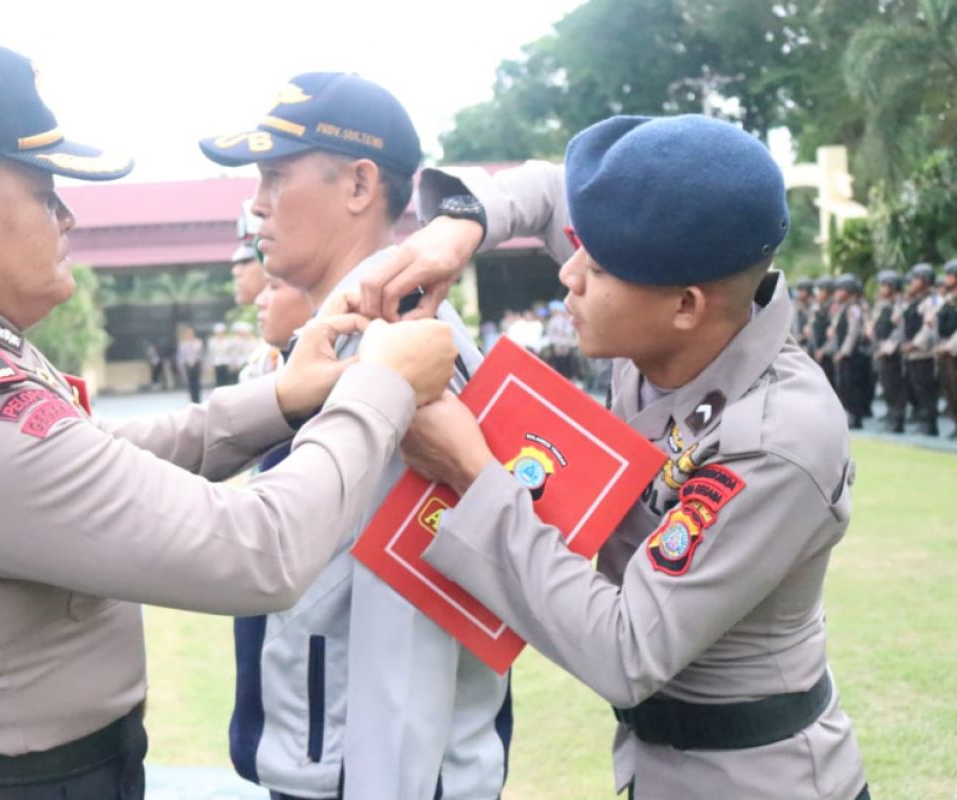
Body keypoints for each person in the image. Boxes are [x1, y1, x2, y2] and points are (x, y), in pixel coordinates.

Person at [0, 37, 459, 800]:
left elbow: (92, 457)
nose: (69, 217)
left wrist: (283, 398)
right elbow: (260, 551)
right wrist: (380, 390)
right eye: (44, 191)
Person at [354, 114, 869, 800]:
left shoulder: (777, 434)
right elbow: (546, 187)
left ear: (687, 305)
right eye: (578, 248)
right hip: (659, 765)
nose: (568, 274)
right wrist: (456, 231)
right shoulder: (667, 279)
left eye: (594, 267)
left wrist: (473, 475)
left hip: (755, 779)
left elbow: (628, 650)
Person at [200, 71, 509, 800]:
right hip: (330, 754)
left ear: (360, 186)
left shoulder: (401, 345)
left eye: (276, 176)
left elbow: (416, 606)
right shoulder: (335, 339)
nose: (256, 204)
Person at [901, 262, 942, 436]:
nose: (912, 283)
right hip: (913, 354)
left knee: (926, 391)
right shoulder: (915, 301)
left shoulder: (932, 300)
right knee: (916, 388)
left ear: (925, 280)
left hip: (925, 353)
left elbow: (929, 328)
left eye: (916, 279)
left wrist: (915, 343)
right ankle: (922, 420)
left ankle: (929, 424)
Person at [868, 270, 907, 433]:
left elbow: (899, 330)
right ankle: (891, 414)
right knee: (886, 385)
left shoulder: (899, 305)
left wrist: (888, 347)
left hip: (893, 352)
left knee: (895, 386)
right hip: (880, 350)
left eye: (885, 285)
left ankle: (897, 419)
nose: (881, 288)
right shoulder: (881, 305)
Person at [831, 273, 871, 429]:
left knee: (852, 386)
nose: (837, 293)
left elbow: (853, 332)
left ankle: (855, 416)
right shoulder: (843, 308)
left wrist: (844, 351)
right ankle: (849, 414)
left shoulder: (854, 309)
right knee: (844, 385)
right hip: (844, 354)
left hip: (852, 355)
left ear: (847, 291)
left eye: (840, 289)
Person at [937, 260, 957, 437]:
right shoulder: (948, 299)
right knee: (950, 390)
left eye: (950, 276)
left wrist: (949, 346)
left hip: (953, 349)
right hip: (946, 351)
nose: (946, 279)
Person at [812, 275, 838, 390]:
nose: (817, 294)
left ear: (828, 292)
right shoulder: (818, 308)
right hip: (819, 352)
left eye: (820, 290)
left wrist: (824, 350)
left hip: (829, 355)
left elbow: (835, 333)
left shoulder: (834, 308)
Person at [175, 323, 205, 402]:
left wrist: (203, 365)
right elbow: (180, 357)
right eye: (187, 333)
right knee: (190, 383)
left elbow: (201, 355)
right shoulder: (183, 345)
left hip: (196, 364)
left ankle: (198, 399)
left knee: (197, 383)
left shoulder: (198, 343)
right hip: (187, 365)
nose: (189, 334)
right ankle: (192, 400)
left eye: (190, 333)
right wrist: (181, 367)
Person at [793, 275, 815, 353]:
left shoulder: (814, 306)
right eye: (799, 290)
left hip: (810, 346)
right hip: (795, 344)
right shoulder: (793, 306)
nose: (799, 293)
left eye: (802, 290)